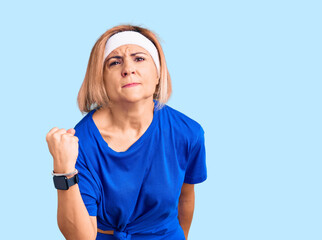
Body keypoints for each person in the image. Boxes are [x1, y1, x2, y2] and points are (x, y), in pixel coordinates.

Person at [46, 24, 207, 240]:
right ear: (101, 79)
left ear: (158, 73)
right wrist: (63, 171)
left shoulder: (187, 133)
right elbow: (80, 237)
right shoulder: (80, 144)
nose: (128, 69)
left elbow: (186, 198)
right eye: (115, 62)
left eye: (139, 58)